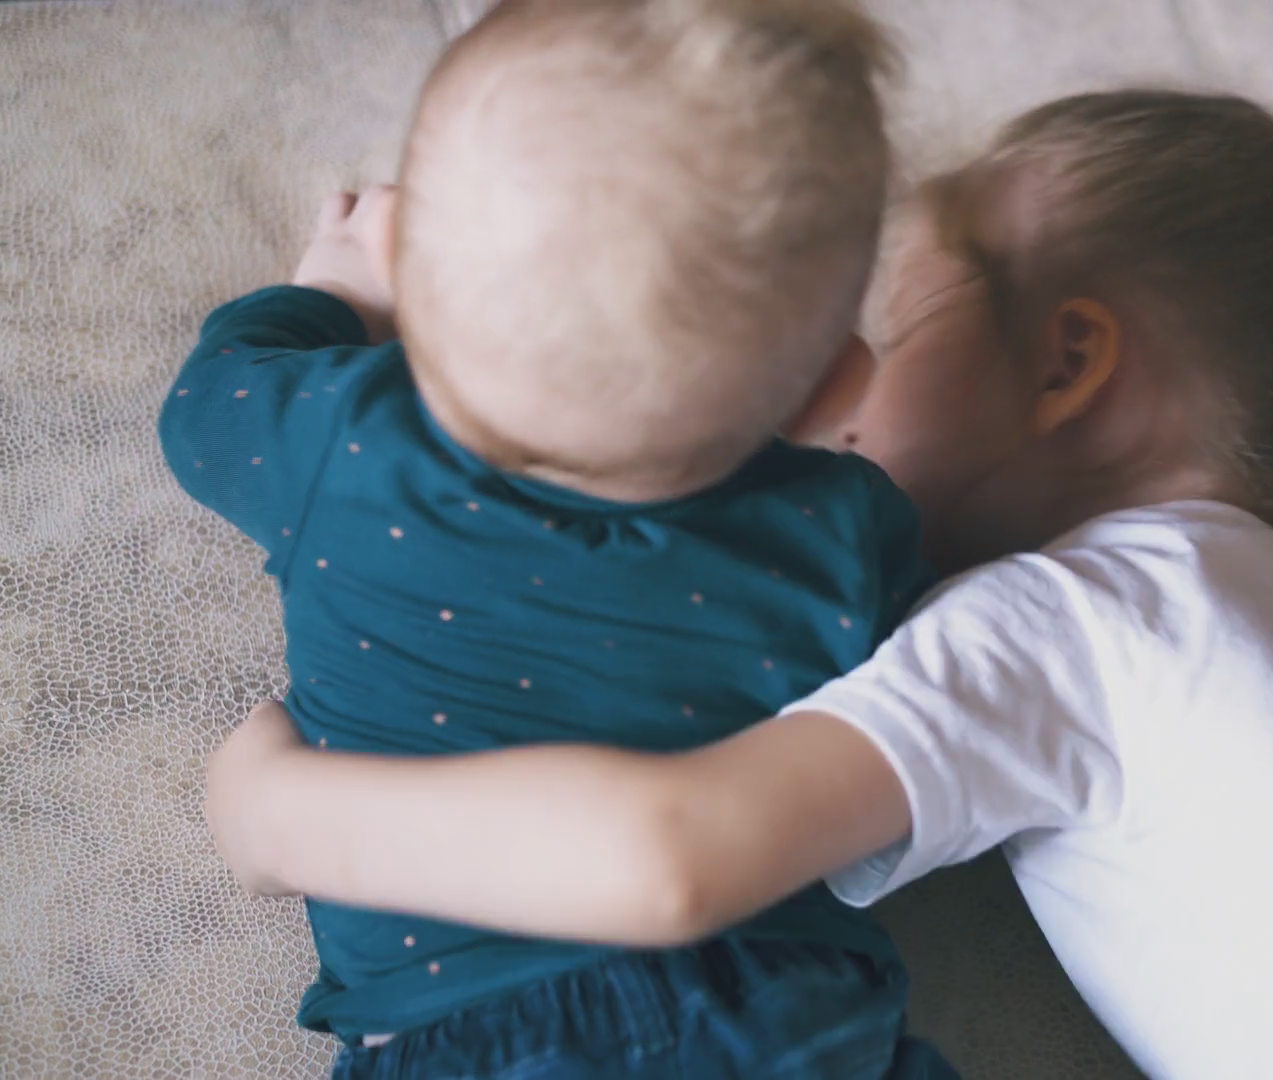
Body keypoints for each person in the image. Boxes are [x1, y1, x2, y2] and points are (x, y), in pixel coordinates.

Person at [204, 91, 1273, 1078]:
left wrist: (278, 811)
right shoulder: (1261, 619)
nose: (832, 396)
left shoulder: (1086, 619)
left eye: (893, 325)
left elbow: (673, 853)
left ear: (1069, 363)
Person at [160, 1, 957, 1077]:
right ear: (835, 383)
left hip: (457, 1033)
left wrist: (331, 296)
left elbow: (203, 408)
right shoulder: (848, 529)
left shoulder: (338, 437)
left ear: (402, 255)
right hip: (772, 998)